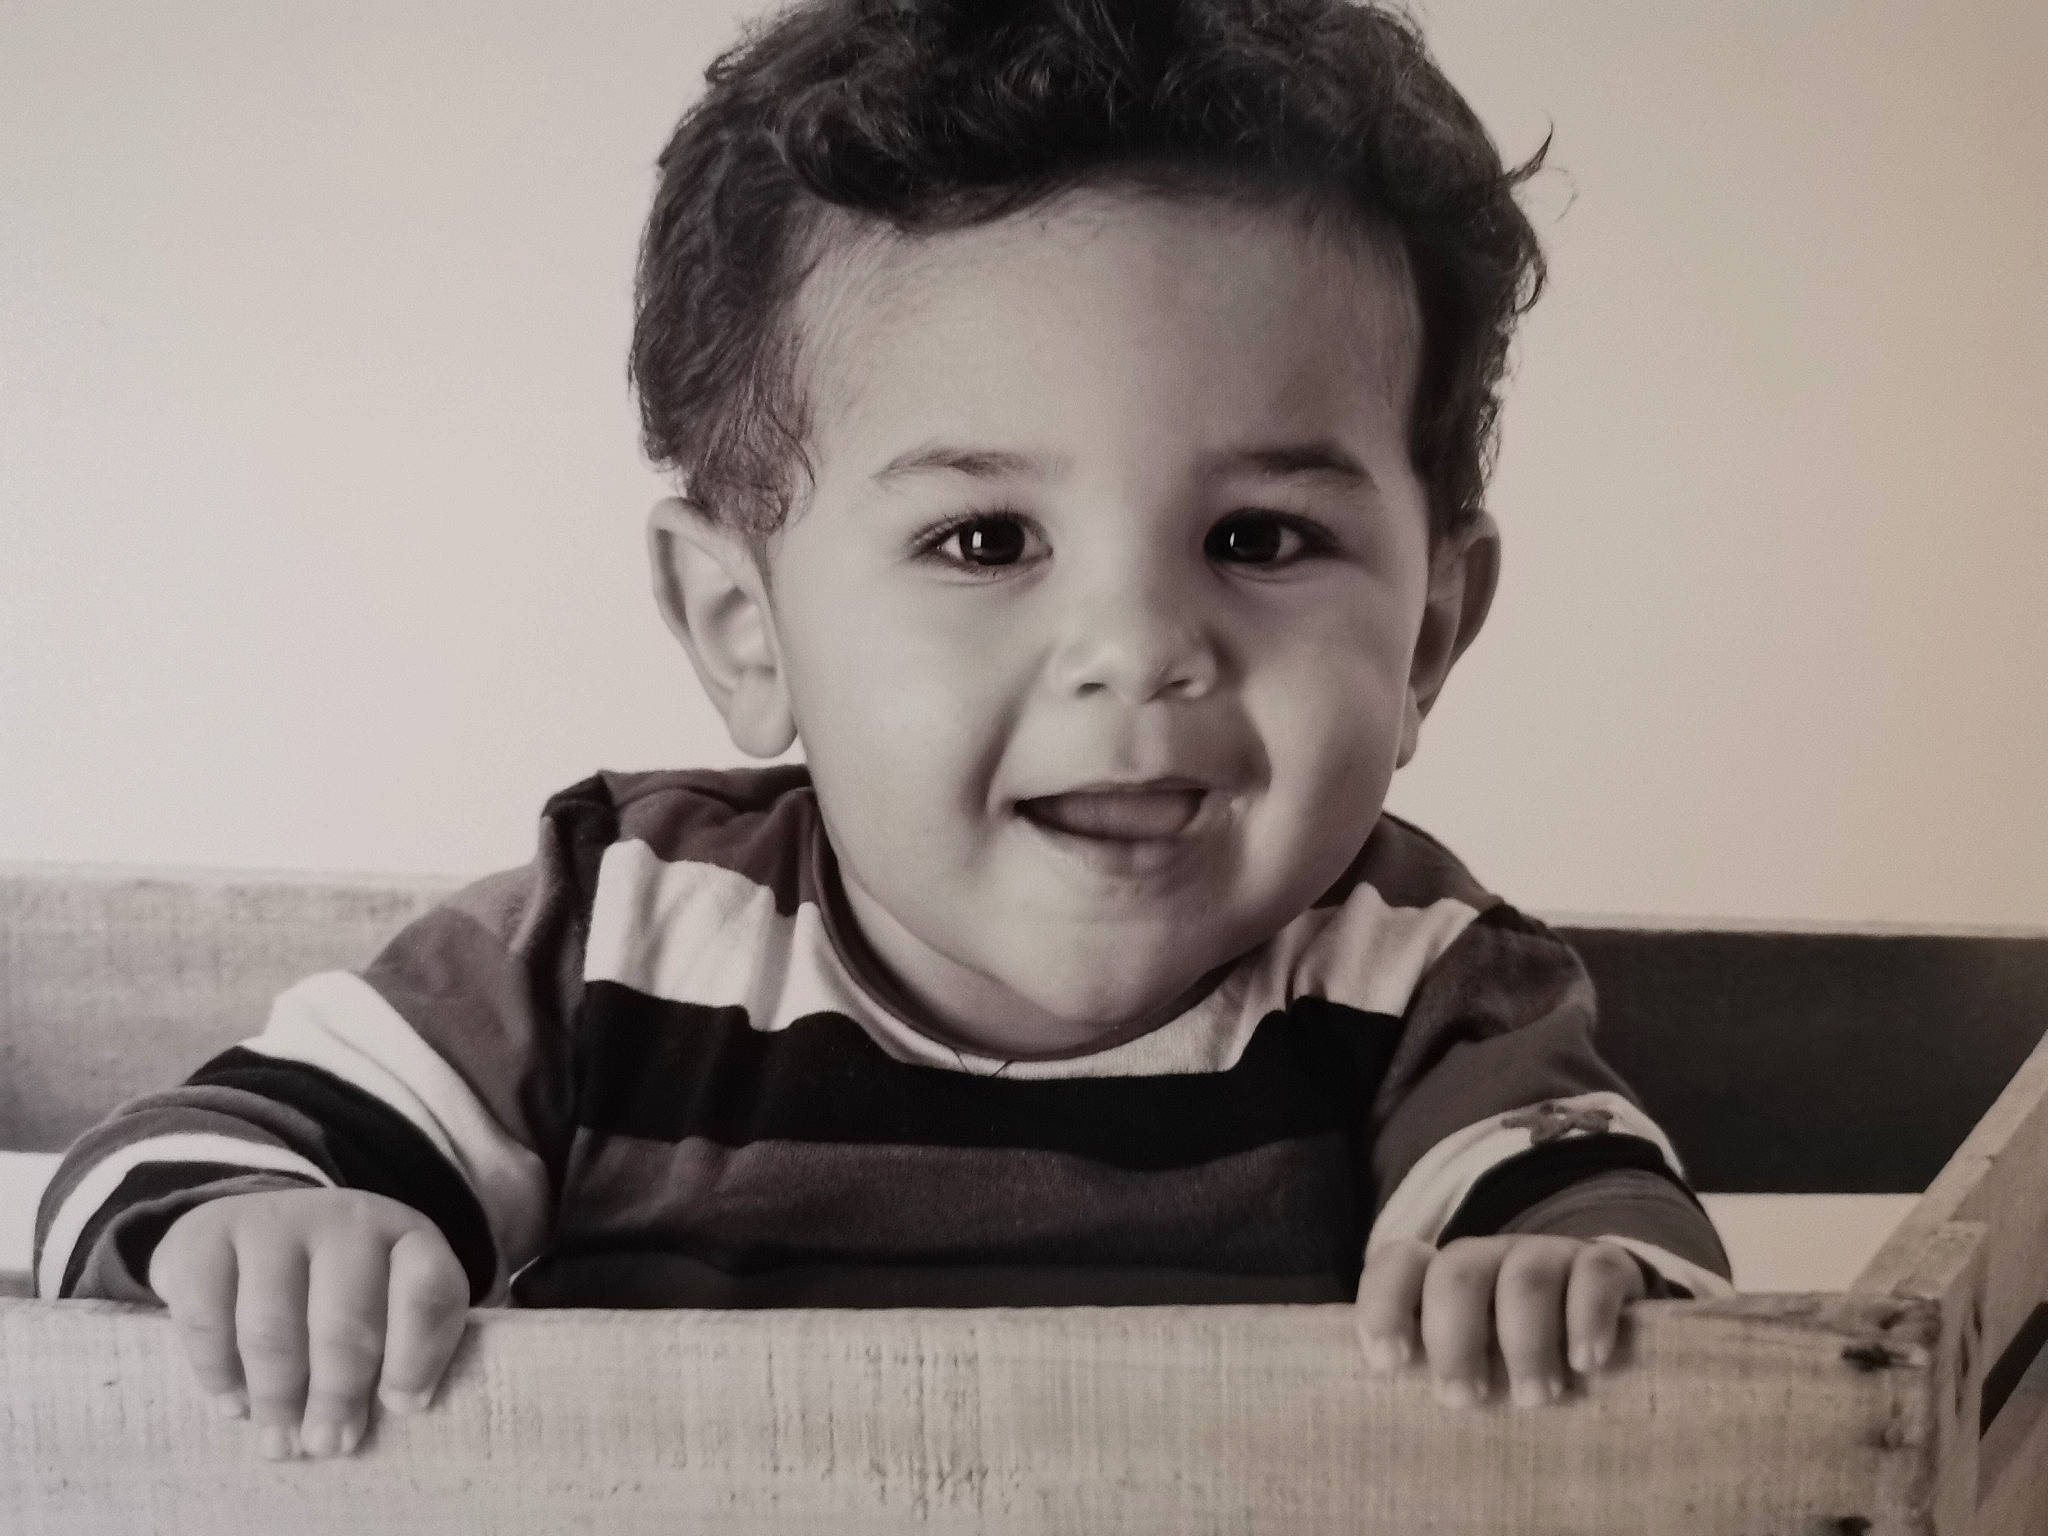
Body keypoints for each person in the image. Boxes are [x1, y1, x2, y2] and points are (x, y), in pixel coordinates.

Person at [34, 0, 1732, 1463]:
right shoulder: (620, 937)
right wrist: (272, 1232)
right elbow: (178, 1155)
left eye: (1262, 539)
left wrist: (1560, 1290)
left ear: (1429, 628)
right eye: (984, 541)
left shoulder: (1418, 986)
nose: (1140, 650)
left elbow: (1599, 1234)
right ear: (742, 627)